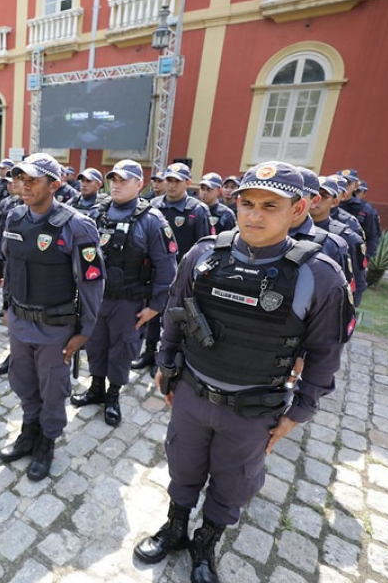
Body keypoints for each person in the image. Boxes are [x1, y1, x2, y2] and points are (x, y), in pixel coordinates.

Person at [133, 161, 354, 583]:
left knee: (233, 481)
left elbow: (326, 353)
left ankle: (206, 541)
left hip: (253, 408)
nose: (254, 214)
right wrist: (166, 365)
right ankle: (176, 527)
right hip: (194, 394)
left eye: (270, 205)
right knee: (183, 464)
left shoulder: (319, 275)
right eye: (247, 203)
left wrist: (300, 411)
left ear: (298, 208)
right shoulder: (204, 254)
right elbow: (176, 315)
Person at [0, 153, 105, 481]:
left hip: (55, 328)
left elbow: (92, 283)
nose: (24, 186)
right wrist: (6, 307)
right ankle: (29, 431)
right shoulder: (15, 218)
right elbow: (10, 268)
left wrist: (84, 331)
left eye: (33, 180)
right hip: (20, 323)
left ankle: (47, 440)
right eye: (21, 179)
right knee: (23, 382)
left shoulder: (77, 226)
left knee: (53, 388)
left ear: (54, 184)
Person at [71, 160, 177, 426]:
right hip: (97, 299)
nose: (116, 185)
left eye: (123, 180)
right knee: (95, 345)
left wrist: (155, 306)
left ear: (139, 185)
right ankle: (96, 387)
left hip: (128, 302)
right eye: (113, 180)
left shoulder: (152, 220)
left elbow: (167, 267)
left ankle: (112, 395)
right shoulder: (98, 213)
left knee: (122, 350)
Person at [134, 163, 212, 372]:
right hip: (154, 272)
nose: (171, 185)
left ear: (187, 183)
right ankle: (148, 354)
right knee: (153, 314)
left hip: (183, 276)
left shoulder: (197, 210)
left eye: (177, 181)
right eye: (169, 180)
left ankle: (166, 358)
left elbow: (205, 246)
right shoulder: (153, 205)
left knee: (175, 319)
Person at [310, 177, 368, 306]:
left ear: (335, 202)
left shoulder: (346, 237)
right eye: (313, 194)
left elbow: (356, 279)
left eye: (324, 196)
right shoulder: (285, 228)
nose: (316, 200)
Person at [0, 173, 22, 376]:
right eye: (12, 181)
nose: (14, 184)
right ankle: (14, 354)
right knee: (8, 314)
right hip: (9, 268)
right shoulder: (8, 205)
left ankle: (23, 356)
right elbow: (0, 234)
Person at [338, 168, 381, 260]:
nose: (343, 187)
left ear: (356, 186)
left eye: (348, 183)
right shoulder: (326, 202)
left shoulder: (364, 208)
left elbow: (372, 236)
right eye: (341, 183)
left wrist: (365, 259)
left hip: (352, 256)